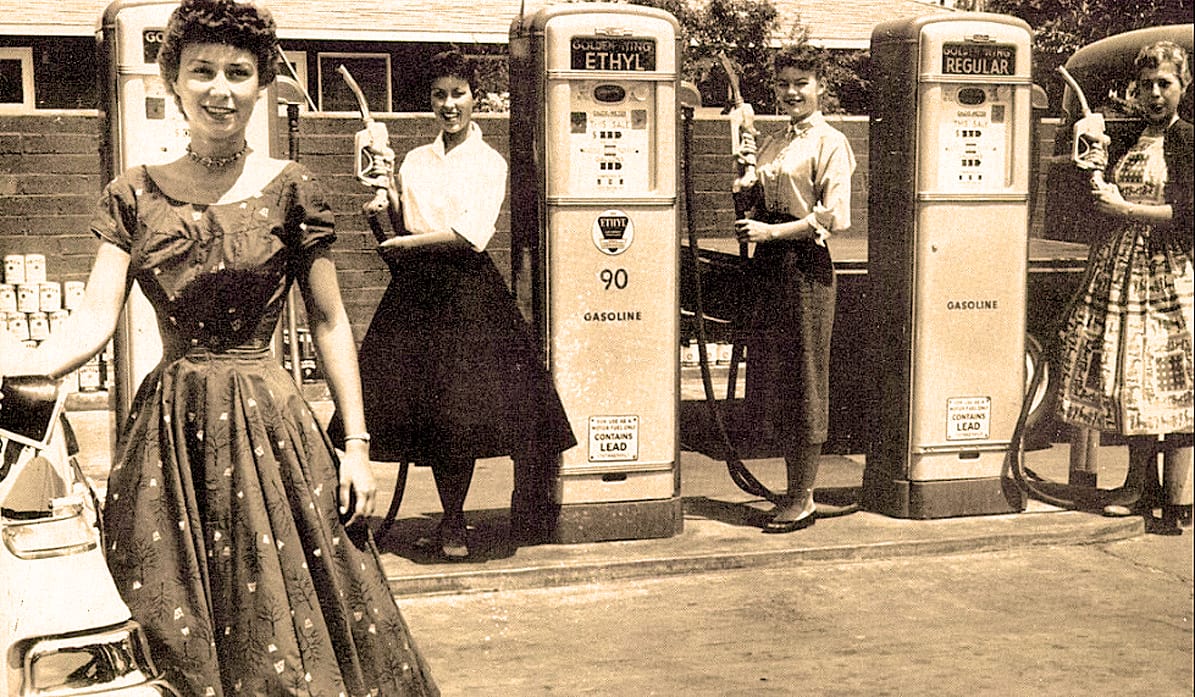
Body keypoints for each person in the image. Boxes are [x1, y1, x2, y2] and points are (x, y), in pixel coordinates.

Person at [0, 1, 439, 693]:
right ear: (172, 79)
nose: (220, 88)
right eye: (201, 70)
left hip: (275, 428)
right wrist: (18, 370)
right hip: (170, 439)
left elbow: (329, 321)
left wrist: (355, 447)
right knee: (170, 622)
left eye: (238, 72)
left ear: (261, 82)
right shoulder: (132, 195)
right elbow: (92, 316)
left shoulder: (292, 187)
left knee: (288, 621)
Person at [328, 50, 575, 559]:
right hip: (415, 293)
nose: (448, 104)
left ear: (474, 98)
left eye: (457, 93)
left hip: (466, 295)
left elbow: (469, 236)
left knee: (461, 413)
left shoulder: (489, 162)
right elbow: (401, 219)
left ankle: (459, 523)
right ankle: (435, 519)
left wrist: (404, 245)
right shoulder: (415, 160)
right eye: (439, 95)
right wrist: (383, 199)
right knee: (410, 409)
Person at [1056, 40, 1193, 535]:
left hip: (1167, 271)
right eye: (1147, 85)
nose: (1156, 94)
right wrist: (1091, 152)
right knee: (1127, 378)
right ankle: (1139, 484)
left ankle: (1175, 495)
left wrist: (1125, 211)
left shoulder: (1189, 141)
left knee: (1166, 382)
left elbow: (1188, 214)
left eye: (1166, 84)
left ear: (1183, 87)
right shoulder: (1132, 135)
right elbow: (1094, 164)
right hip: (1121, 263)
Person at [732, 45, 856, 533]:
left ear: (821, 85)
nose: (791, 92)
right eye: (783, 83)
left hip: (804, 265)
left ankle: (802, 497)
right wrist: (744, 176)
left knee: (805, 376)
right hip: (770, 265)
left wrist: (772, 233)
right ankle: (791, 491)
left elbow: (833, 217)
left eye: (801, 83)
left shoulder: (830, 142)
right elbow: (755, 200)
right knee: (776, 376)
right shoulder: (773, 142)